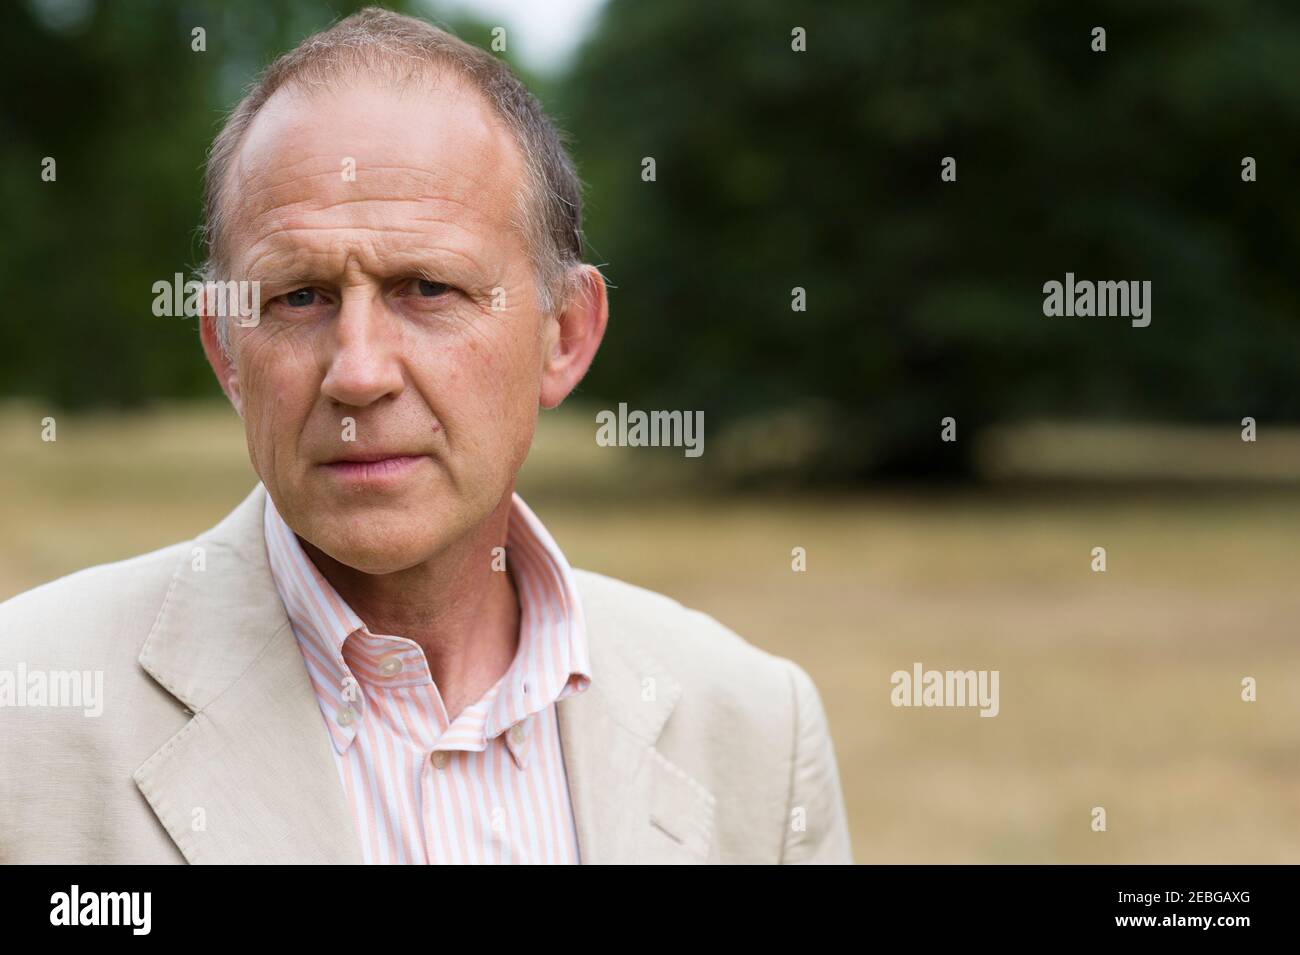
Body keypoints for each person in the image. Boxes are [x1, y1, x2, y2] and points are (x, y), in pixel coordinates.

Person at [0, 7, 851, 864]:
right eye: (298, 296)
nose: (359, 372)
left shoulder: (754, 730)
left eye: (427, 287)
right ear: (226, 351)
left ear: (563, 333)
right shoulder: (22, 716)